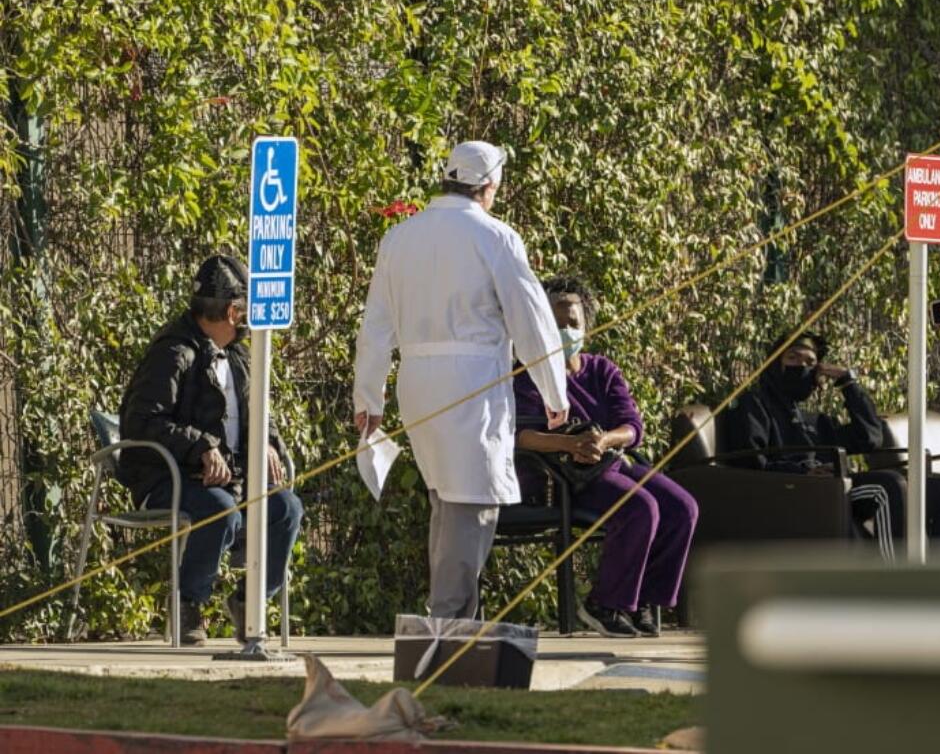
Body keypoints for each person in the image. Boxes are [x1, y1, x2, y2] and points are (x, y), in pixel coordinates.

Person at [353, 141, 569, 620]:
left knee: (446, 500)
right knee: (473, 503)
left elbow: (375, 326)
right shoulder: (495, 237)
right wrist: (555, 390)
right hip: (470, 382)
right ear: (487, 186)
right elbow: (530, 318)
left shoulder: (400, 237)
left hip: (416, 381)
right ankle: (449, 623)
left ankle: (452, 617)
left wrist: (368, 396)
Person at [118, 254, 303, 645]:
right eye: (247, 309)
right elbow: (143, 421)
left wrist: (268, 442)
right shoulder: (173, 352)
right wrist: (200, 446)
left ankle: (249, 600)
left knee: (286, 509)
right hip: (170, 476)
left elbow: (258, 410)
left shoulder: (238, 354)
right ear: (234, 311)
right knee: (220, 509)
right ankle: (189, 603)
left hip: (230, 478)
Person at [513, 276, 698, 637]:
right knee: (640, 507)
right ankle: (605, 603)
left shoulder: (601, 369)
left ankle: (641, 601)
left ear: (587, 326)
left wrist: (605, 439)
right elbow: (519, 436)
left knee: (683, 508)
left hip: (609, 458)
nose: (565, 331)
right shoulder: (526, 373)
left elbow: (631, 425)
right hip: (563, 474)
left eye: (572, 323)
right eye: (555, 323)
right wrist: (570, 445)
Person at [718, 331, 940, 540]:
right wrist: (802, 473)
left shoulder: (814, 420)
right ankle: (896, 589)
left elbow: (870, 437)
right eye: (793, 359)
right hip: (795, 493)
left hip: (837, 488)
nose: (802, 367)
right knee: (887, 487)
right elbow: (750, 462)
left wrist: (848, 383)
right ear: (775, 364)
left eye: (810, 363)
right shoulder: (754, 404)